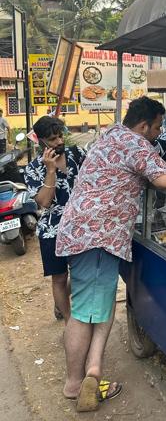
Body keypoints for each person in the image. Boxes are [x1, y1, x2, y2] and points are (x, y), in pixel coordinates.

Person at [55, 97, 166, 412]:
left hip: (88, 232)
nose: (158, 132)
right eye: (158, 125)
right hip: (97, 236)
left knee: (101, 304)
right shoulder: (135, 142)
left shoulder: (110, 134)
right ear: (144, 124)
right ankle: (74, 385)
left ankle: (92, 373)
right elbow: (165, 179)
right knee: (84, 312)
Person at [24, 116, 85, 322]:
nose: (59, 142)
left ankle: (65, 303)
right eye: (52, 139)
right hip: (52, 230)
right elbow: (44, 202)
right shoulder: (33, 168)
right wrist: (50, 170)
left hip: (82, 226)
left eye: (60, 136)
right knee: (59, 278)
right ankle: (69, 321)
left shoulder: (77, 154)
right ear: (40, 141)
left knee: (83, 274)